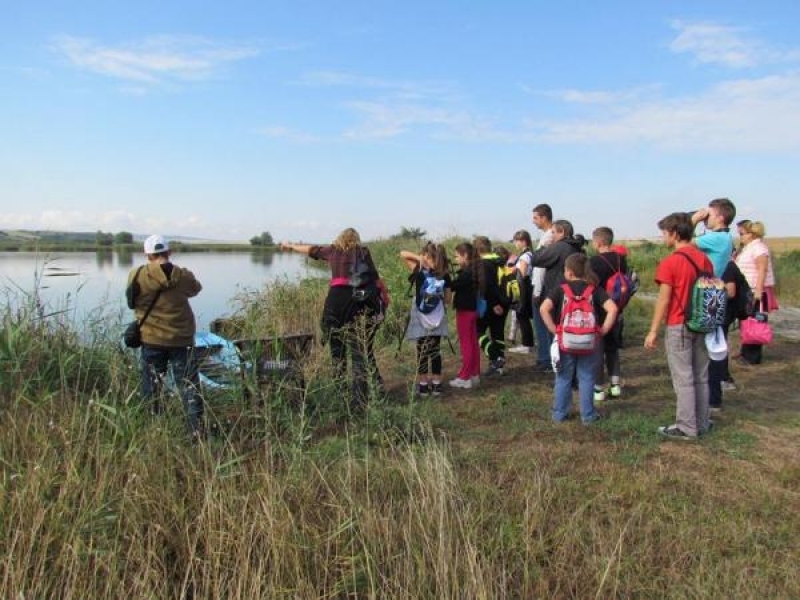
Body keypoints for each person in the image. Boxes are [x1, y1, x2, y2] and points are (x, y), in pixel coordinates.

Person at [281, 228, 384, 411]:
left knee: (337, 352)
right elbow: (374, 279)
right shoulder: (362, 252)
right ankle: (360, 400)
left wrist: (290, 246)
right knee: (359, 351)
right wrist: (382, 300)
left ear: (340, 238)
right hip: (356, 300)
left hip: (335, 301)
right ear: (356, 240)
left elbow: (310, 249)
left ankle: (341, 396)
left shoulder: (333, 251)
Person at [126, 235, 204, 440]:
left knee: (151, 387)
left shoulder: (137, 275)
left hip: (151, 339)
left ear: (147, 254)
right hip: (182, 340)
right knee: (189, 386)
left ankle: (153, 431)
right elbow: (196, 289)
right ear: (169, 253)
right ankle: (195, 432)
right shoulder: (184, 275)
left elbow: (131, 303)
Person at [644, 213, 714, 440]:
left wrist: (653, 330)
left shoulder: (671, 262)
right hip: (702, 323)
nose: (663, 237)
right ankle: (702, 422)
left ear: (674, 234)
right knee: (701, 376)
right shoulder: (704, 260)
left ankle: (686, 426)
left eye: (664, 233)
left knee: (683, 378)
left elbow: (664, 300)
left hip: (679, 323)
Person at [540, 253, 617, 424]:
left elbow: (544, 309)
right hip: (590, 341)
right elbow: (612, 309)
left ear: (569, 272)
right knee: (587, 377)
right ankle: (588, 416)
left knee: (563, 377)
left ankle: (559, 413)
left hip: (565, 340)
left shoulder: (561, 289)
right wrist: (603, 330)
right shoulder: (595, 290)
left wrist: (554, 329)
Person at [529, 219, 587, 372]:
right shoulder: (575, 247)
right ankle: (573, 369)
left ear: (562, 232)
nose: (552, 236)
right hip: (572, 293)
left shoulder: (560, 247)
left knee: (558, 334)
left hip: (558, 295)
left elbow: (536, 259)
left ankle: (562, 369)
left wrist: (543, 246)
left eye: (554, 233)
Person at [400, 242, 452, 397]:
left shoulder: (419, 270)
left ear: (426, 256)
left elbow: (403, 253)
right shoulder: (444, 273)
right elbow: (448, 299)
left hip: (420, 314)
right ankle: (436, 385)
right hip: (437, 315)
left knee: (421, 349)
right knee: (435, 349)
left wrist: (419, 259)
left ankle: (423, 386)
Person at [589, 226, 628, 402]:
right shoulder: (621, 259)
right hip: (618, 309)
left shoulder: (594, 262)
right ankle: (615, 385)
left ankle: (598, 388)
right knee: (613, 349)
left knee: (597, 350)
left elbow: (591, 286)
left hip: (600, 309)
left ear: (598, 242)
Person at [735, 220, 779, 365]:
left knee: (756, 321)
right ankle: (745, 352)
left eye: (742, 234)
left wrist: (759, 290)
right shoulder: (748, 247)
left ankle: (752, 357)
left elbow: (762, 269)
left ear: (751, 234)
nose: (740, 236)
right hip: (749, 289)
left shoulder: (759, 248)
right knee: (747, 321)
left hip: (757, 290)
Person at [474, 236, 511, 376]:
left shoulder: (483, 263)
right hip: (504, 301)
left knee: (477, 330)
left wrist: (494, 303)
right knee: (497, 333)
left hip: (491, 302)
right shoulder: (499, 260)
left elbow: (487, 285)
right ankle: (499, 367)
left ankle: (495, 358)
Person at [448, 242, 482, 389]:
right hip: (472, 310)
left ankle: (465, 377)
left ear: (465, 255)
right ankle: (474, 374)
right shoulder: (472, 270)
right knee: (473, 343)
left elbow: (453, 285)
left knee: (466, 344)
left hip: (465, 312)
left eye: (457, 256)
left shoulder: (466, 273)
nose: (455, 259)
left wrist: (444, 275)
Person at [531, 204, 556, 371]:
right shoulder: (549, 236)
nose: (533, 222)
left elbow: (540, 267)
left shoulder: (548, 238)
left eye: (535, 218)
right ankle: (545, 358)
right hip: (545, 287)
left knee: (543, 325)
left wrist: (537, 290)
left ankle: (546, 359)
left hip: (542, 288)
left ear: (544, 217)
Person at [691, 198, 736, 277]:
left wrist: (694, 219)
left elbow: (683, 242)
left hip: (705, 285)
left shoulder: (717, 238)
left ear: (720, 218)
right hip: (712, 284)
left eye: (709, 215)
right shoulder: (726, 236)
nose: (705, 218)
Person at [507, 230, 535, 354]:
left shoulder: (525, 255)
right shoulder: (528, 254)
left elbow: (522, 274)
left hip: (523, 288)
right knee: (521, 315)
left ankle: (527, 344)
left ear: (523, 241)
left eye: (516, 241)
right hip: (524, 287)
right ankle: (528, 343)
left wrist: (513, 268)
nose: (515, 244)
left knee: (522, 315)